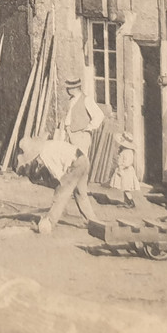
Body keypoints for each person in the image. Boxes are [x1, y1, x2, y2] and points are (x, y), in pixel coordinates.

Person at [37, 70, 105, 235]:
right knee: (79, 188)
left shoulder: (86, 100)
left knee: (72, 177)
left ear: (75, 87)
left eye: (70, 87)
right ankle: (91, 220)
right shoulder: (71, 101)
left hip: (81, 137)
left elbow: (99, 116)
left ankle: (53, 218)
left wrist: (87, 129)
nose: (67, 90)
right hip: (70, 136)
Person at [111, 131, 142, 208]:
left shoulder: (128, 152)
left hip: (126, 171)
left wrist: (122, 166)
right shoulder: (124, 151)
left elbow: (128, 162)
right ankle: (126, 201)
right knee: (123, 187)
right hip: (124, 170)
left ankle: (131, 202)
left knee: (126, 187)